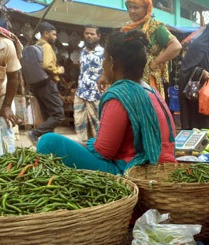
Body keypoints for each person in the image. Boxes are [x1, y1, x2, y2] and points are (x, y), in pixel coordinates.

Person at [36, 30, 176, 174]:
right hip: (157, 169)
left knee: (49, 142)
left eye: (104, 59)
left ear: (112, 63)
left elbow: (103, 151)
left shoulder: (121, 94)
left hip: (131, 171)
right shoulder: (152, 92)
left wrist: (82, 144)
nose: (103, 65)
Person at [121, 0, 182, 97]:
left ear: (147, 8)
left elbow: (176, 46)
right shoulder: (127, 27)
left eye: (136, 7)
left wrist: (155, 62)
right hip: (127, 76)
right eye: (129, 7)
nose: (132, 11)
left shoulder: (156, 27)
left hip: (147, 79)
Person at [27, 22, 66, 145]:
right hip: (48, 84)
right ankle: (35, 133)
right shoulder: (46, 46)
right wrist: (59, 70)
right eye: (53, 34)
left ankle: (48, 143)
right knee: (58, 114)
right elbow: (47, 65)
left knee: (48, 116)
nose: (55, 37)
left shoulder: (36, 45)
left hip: (38, 86)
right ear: (46, 33)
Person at [0, 18, 21, 155]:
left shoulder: (6, 45)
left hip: (2, 94)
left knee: (6, 136)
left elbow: (13, 77)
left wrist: (7, 106)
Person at [74, 25, 104, 142]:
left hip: (96, 94)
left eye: (92, 34)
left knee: (98, 124)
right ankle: (83, 147)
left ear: (98, 36)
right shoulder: (82, 52)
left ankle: (98, 148)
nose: (89, 36)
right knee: (79, 123)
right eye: (87, 33)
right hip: (81, 93)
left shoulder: (103, 53)